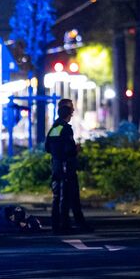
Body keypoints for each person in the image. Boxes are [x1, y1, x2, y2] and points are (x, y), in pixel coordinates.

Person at [45, 98, 90, 234]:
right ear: (68, 112)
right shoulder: (65, 129)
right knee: (68, 196)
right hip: (67, 167)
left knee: (58, 196)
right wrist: (75, 150)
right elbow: (68, 150)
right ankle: (66, 226)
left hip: (56, 166)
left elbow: (47, 147)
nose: (72, 114)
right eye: (71, 111)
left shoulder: (54, 128)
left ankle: (57, 225)